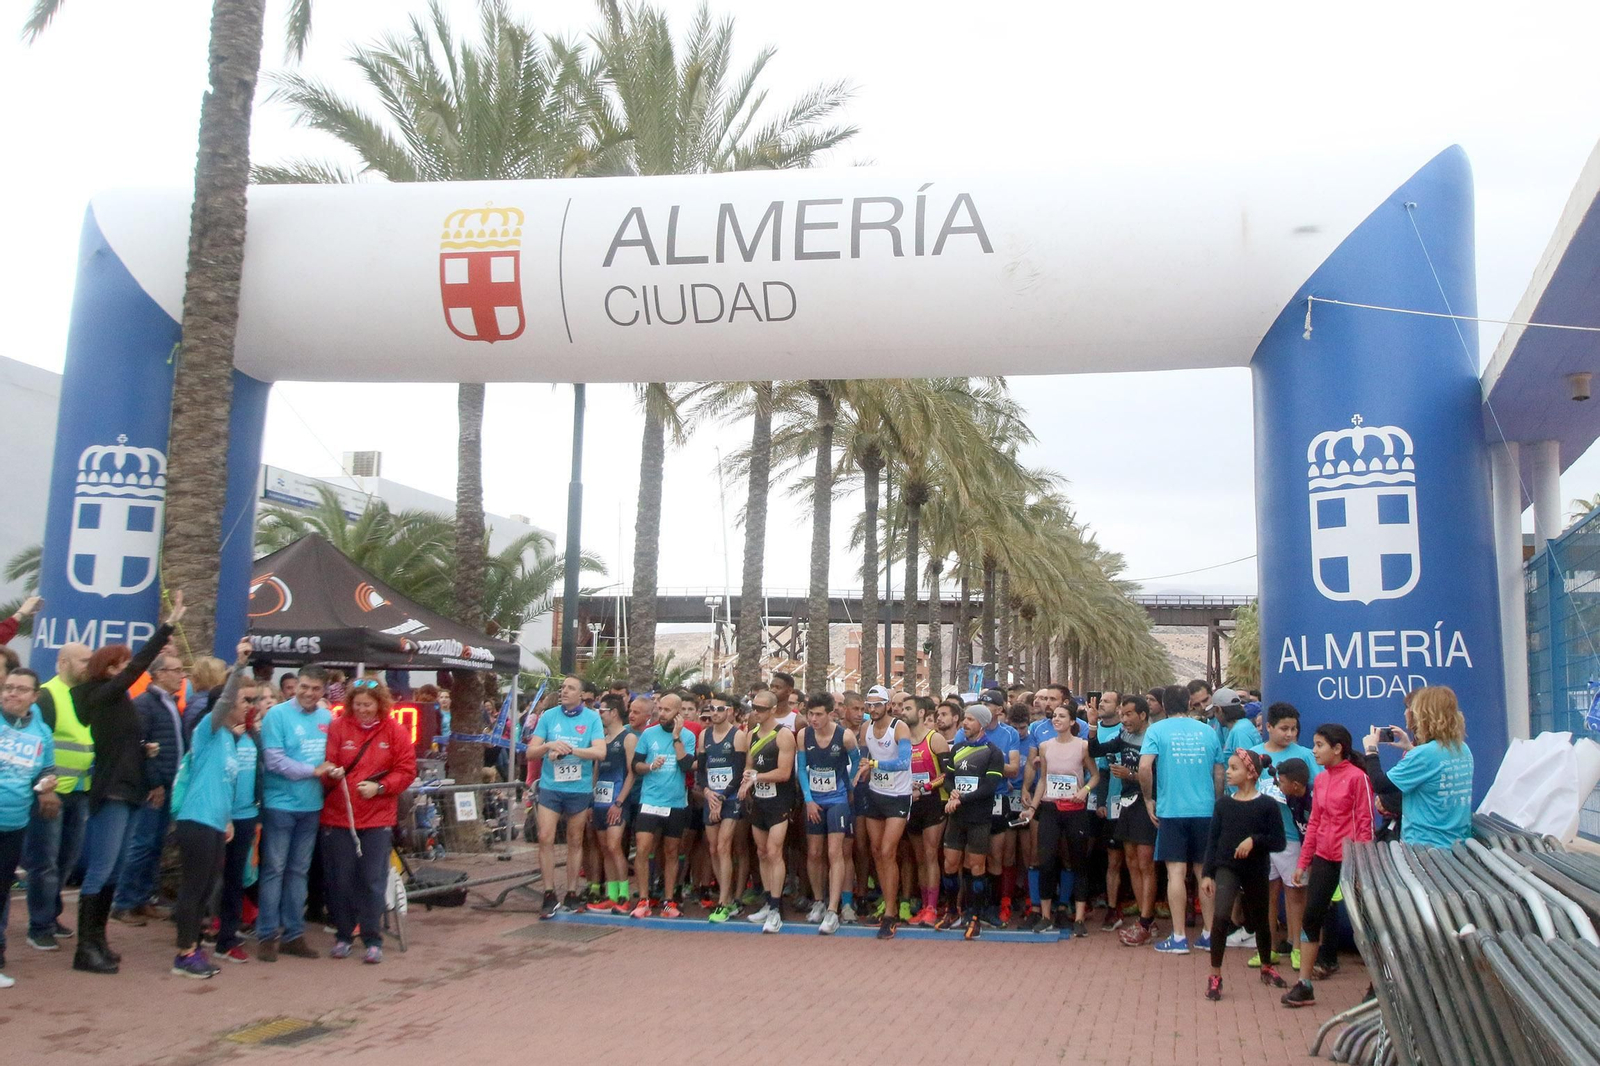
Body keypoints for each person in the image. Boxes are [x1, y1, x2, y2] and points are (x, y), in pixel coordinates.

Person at [70, 594, 183, 975]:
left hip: (132, 789)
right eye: (119, 665)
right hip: (113, 791)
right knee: (101, 869)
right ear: (109, 669)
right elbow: (135, 669)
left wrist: (144, 749)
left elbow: (123, 740)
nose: (126, 671)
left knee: (115, 871)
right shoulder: (98, 695)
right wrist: (166, 627)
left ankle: (99, 940)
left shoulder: (117, 703)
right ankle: (85, 947)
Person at [169, 640, 256, 978]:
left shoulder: (230, 740)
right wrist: (239, 665)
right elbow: (223, 700)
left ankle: (192, 947)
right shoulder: (208, 729)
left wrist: (229, 820)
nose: (248, 706)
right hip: (196, 820)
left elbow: (225, 785)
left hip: (216, 823)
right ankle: (184, 952)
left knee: (206, 889)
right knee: (194, 888)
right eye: (243, 702)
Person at [319, 679, 416, 964]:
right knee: (340, 880)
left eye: (368, 705)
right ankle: (343, 935)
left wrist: (381, 787)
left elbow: (406, 770)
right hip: (340, 816)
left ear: (379, 704)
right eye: (358, 705)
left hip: (377, 817)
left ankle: (373, 938)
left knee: (373, 880)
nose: (362, 710)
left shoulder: (395, 731)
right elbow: (328, 762)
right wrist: (332, 773)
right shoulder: (338, 727)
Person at [1282, 724, 1373, 1008]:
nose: (1314, 750)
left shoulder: (1359, 778)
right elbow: (1315, 824)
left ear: (1338, 748)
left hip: (1352, 859)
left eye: (1320, 745)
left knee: (1365, 923)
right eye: (1315, 744)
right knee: (1311, 918)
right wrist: (1303, 862)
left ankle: (1376, 985)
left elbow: (1366, 824)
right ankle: (1304, 984)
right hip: (1324, 858)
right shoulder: (1320, 781)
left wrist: (1362, 865)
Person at [257, 663, 336, 962]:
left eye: (316, 689)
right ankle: (267, 934)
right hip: (280, 804)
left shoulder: (327, 717)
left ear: (323, 691)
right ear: (294, 686)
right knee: (274, 870)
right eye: (304, 686)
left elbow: (331, 757)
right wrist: (313, 771)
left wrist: (332, 771)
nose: (309, 693)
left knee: (298, 872)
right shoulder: (276, 715)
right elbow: (274, 760)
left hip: (311, 806)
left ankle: (293, 934)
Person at [1138, 686, 1225, 955]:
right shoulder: (1208, 731)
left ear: (1164, 704)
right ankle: (1209, 934)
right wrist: (1216, 802)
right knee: (1203, 871)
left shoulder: (1156, 730)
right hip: (1205, 809)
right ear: (1188, 702)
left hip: (1172, 810)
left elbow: (1144, 767)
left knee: (1176, 871)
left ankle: (1178, 938)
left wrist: (1149, 799)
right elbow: (1219, 772)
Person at [110, 649, 189, 925]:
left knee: (155, 844)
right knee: (142, 843)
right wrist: (154, 782)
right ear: (159, 674)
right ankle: (124, 902)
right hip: (153, 787)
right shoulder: (145, 704)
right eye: (176, 670)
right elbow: (142, 747)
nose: (181, 676)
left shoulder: (170, 703)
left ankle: (143, 898)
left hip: (169, 784)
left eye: (182, 670)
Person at [1201, 749, 1287, 1000]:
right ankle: (1215, 974)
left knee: (1261, 919)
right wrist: (1207, 873)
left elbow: (1278, 841)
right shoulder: (1224, 804)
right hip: (1228, 866)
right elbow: (1213, 840)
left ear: (1250, 774)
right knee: (1220, 916)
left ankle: (1266, 967)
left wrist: (1254, 840)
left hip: (1256, 868)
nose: (1227, 772)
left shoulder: (1267, 805)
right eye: (1228, 767)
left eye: (1234, 768)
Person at [22, 641, 92, 952]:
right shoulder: (48, 695)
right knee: (45, 861)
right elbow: (39, 747)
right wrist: (43, 790)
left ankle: (51, 914)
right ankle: (39, 925)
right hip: (52, 795)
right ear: (63, 662)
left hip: (80, 791)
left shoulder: (87, 695)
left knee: (66, 859)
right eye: (82, 661)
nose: (88, 666)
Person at [525, 675, 605, 918]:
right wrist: (550, 746)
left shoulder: (592, 718)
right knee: (545, 836)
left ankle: (571, 892)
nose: (564, 691)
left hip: (578, 788)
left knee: (575, 839)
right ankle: (549, 893)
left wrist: (571, 750)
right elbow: (530, 752)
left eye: (571, 688)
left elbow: (600, 752)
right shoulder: (548, 716)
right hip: (551, 787)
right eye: (562, 687)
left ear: (581, 694)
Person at [1363, 685, 1474, 850]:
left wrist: (1371, 750)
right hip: (1457, 845)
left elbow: (1380, 784)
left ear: (1423, 716)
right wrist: (1410, 747)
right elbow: (1435, 770)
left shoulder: (1424, 754)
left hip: (1423, 848)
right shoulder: (1462, 749)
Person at [1251, 703, 1320, 968]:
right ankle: (1265, 949)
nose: (1289, 734)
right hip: (1262, 837)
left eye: (1293, 729)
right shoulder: (1254, 755)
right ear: (1268, 727)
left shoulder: (1305, 755)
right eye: (1283, 729)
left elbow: (1316, 790)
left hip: (1292, 838)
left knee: (1295, 894)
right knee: (1264, 896)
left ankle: (1297, 947)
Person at [1023, 702, 1100, 936]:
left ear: (1072, 722)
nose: (1056, 719)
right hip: (1050, 809)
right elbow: (1043, 779)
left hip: (1075, 810)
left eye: (1062, 716)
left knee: (1077, 862)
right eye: (1054, 716)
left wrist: (1085, 790)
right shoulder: (1045, 747)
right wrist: (1033, 808)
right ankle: (1046, 916)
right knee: (1046, 861)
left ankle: (1078, 918)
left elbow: (1095, 775)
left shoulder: (1083, 746)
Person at [1, 665, 56, 988]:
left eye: (21, 689)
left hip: (15, 822)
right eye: (9, 687)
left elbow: (44, 771)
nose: (12, 693)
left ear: (34, 697)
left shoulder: (41, 733)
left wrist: (47, 786)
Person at [934, 703, 1005, 940]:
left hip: (979, 818)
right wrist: (953, 792)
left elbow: (989, 787)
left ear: (982, 724)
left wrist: (961, 798)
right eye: (965, 718)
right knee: (950, 864)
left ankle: (975, 914)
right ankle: (952, 910)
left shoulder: (993, 752)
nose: (965, 723)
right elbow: (948, 778)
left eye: (971, 719)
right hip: (957, 816)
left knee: (977, 867)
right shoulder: (959, 748)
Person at [216, 662, 270, 965]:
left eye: (255, 700)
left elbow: (259, 773)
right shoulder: (216, 732)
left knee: (238, 878)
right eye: (245, 700)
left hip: (247, 814)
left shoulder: (253, 733)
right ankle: (195, 939)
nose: (251, 706)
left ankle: (228, 937)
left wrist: (258, 811)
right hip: (219, 815)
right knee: (212, 879)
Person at [1097, 695, 1159, 946]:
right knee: (1131, 861)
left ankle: (1146, 919)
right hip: (1126, 802)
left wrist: (1130, 775)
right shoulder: (1123, 735)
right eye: (1122, 714)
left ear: (1143, 715)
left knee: (1146, 863)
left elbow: (1156, 775)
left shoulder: (1154, 736)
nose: (1124, 719)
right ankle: (1147, 919)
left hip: (1147, 802)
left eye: (1129, 714)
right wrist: (1092, 726)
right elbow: (1097, 750)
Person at [630, 692, 697, 918]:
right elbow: (635, 764)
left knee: (671, 851)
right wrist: (649, 766)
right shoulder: (649, 734)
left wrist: (677, 736)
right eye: (660, 709)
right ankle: (643, 898)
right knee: (643, 848)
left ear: (678, 713)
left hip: (675, 802)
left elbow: (686, 765)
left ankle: (668, 900)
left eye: (667, 710)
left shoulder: (687, 736)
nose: (662, 713)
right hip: (650, 800)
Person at [796, 692, 857, 934]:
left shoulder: (846, 736)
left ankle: (834, 909)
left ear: (831, 713)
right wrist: (808, 800)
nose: (814, 719)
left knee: (835, 853)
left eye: (819, 714)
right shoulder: (804, 735)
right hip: (815, 801)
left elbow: (856, 762)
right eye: (810, 714)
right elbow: (801, 770)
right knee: (813, 852)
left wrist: (849, 786)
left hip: (838, 800)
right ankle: (819, 902)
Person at [856, 683, 913, 939]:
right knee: (877, 851)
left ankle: (891, 913)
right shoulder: (865, 728)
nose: (873, 708)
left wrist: (874, 764)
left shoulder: (898, 727)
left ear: (888, 705)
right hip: (876, 794)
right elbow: (863, 756)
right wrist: (861, 770)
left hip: (898, 796)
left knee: (889, 851)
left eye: (878, 704)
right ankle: (886, 903)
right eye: (869, 704)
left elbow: (903, 762)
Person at [738, 689, 794, 933]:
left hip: (779, 802)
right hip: (759, 801)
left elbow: (784, 773)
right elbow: (749, 767)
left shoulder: (783, 736)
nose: (756, 712)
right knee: (761, 852)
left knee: (774, 851)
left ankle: (776, 908)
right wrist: (745, 784)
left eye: (761, 708)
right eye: (754, 707)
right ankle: (768, 900)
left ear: (773, 709)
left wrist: (756, 777)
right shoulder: (751, 735)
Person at [697, 691, 747, 922]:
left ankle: (723, 901)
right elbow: (701, 770)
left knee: (724, 846)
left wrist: (722, 797)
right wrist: (707, 792)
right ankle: (726, 899)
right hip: (711, 797)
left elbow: (738, 773)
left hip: (730, 798)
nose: (715, 713)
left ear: (728, 711)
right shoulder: (704, 735)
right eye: (711, 709)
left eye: (719, 709)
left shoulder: (737, 736)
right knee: (714, 848)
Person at [586, 693, 637, 914]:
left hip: (618, 800)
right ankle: (611, 894)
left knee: (615, 846)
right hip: (600, 801)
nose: (600, 715)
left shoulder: (628, 738)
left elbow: (631, 773)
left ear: (614, 713)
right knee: (605, 848)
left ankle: (624, 895)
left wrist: (619, 801)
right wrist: (591, 801)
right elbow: (596, 771)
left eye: (602, 711)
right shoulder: (601, 739)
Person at [906, 697, 949, 926]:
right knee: (920, 858)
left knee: (931, 855)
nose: (903, 712)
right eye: (902, 708)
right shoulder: (902, 741)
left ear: (922, 713)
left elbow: (946, 775)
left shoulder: (936, 739)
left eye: (908, 708)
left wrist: (924, 787)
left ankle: (933, 907)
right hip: (912, 804)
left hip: (933, 802)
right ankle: (924, 906)